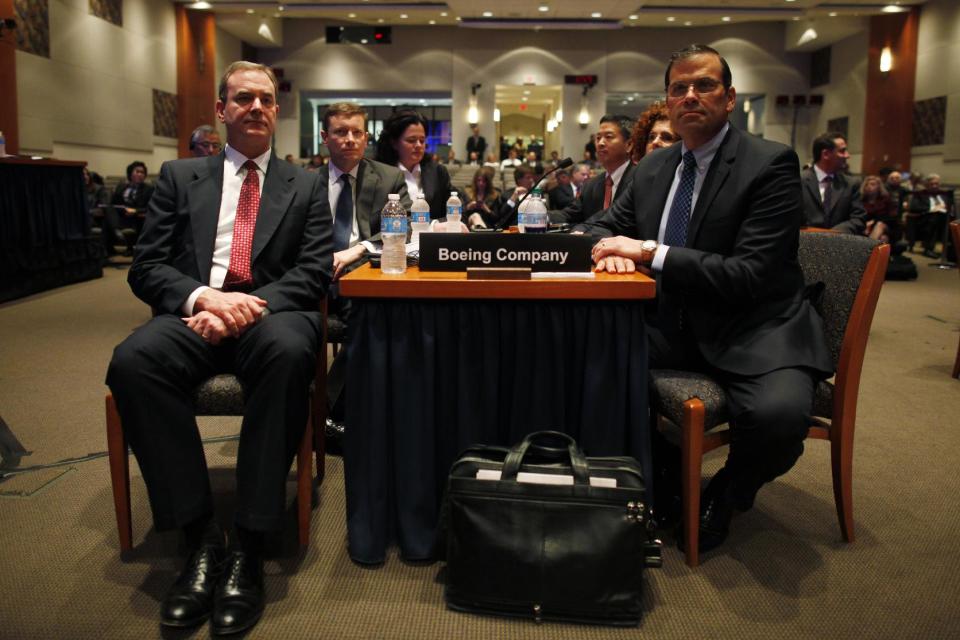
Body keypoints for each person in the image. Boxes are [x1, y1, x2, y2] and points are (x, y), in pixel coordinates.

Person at [105, 61, 332, 635]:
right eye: (244, 98)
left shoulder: (305, 182)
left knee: (286, 355)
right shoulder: (180, 177)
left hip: (269, 315)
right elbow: (147, 267)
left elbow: (312, 274)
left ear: (277, 110)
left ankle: (253, 543)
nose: (256, 107)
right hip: (197, 313)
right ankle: (199, 537)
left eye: (267, 99)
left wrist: (246, 307)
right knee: (134, 361)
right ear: (221, 109)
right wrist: (205, 298)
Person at [585, 44, 832, 554]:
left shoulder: (771, 164)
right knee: (586, 361)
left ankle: (728, 491)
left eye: (705, 86)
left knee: (779, 420)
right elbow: (605, 227)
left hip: (756, 328)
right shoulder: (652, 169)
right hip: (671, 326)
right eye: (679, 88)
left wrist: (649, 252)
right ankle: (670, 480)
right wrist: (605, 251)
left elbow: (748, 275)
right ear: (668, 100)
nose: (690, 96)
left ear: (731, 98)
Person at [319, 102, 410, 442]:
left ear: (366, 137)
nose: (349, 139)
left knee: (372, 306)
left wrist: (358, 249)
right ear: (325, 137)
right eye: (341, 132)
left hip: (362, 270)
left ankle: (328, 409)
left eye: (357, 132)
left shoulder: (388, 177)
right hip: (314, 272)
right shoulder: (305, 182)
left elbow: (405, 229)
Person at [549, 114, 635, 225]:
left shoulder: (638, 180)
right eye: (598, 138)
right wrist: (537, 214)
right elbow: (568, 215)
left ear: (628, 145)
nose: (600, 143)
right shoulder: (591, 185)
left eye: (608, 137)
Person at [375, 109, 457, 221]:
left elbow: (454, 212)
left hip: (431, 237)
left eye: (422, 140)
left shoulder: (437, 172)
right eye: (411, 140)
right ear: (394, 143)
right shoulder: (378, 173)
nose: (418, 145)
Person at [801, 132, 866, 234]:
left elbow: (858, 219)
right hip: (804, 243)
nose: (847, 156)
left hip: (839, 244)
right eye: (842, 151)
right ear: (826, 154)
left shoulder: (851, 184)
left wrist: (833, 235)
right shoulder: (799, 181)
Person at [908, 173, 952, 258]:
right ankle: (928, 249)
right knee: (934, 218)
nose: (934, 186)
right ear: (927, 185)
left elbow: (950, 206)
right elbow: (914, 207)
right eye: (932, 184)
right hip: (925, 217)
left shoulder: (943, 194)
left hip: (944, 216)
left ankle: (951, 250)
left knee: (953, 222)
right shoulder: (920, 194)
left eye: (936, 184)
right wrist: (933, 208)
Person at [110, 160, 153, 240]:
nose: (140, 174)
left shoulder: (149, 189)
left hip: (136, 217)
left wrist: (134, 211)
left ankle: (116, 231)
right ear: (130, 173)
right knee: (108, 213)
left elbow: (150, 207)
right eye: (137, 172)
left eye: (142, 172)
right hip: (120, 215)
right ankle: (109, 248)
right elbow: (113, 203)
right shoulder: (121, 187)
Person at [860, 175, 896, 243]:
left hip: (886, 226)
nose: (869, 186)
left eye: (873, 184)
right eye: (866, 184)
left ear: (879, 187)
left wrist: (873, 222)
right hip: (865, 227)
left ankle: (867, 249)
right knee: (883, 238)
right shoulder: (861, 200)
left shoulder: (886, 199)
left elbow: (891, 217)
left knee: (880, 225)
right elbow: (858, 215)